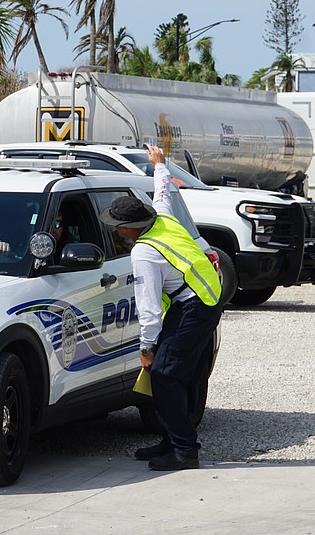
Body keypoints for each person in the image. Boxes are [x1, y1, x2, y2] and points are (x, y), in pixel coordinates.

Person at [99, 144, 223, 471]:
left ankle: (184, 450)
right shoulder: (162, 218)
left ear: (128, 229)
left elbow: (150, 308)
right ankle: (170, 440)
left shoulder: (143, 254)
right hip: (204, 295)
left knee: (165, 375)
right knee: (179, 373)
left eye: (116, 226)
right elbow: (163, 192)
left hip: (195, 305)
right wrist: (160, 165)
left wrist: (146, 348)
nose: (115, 230)